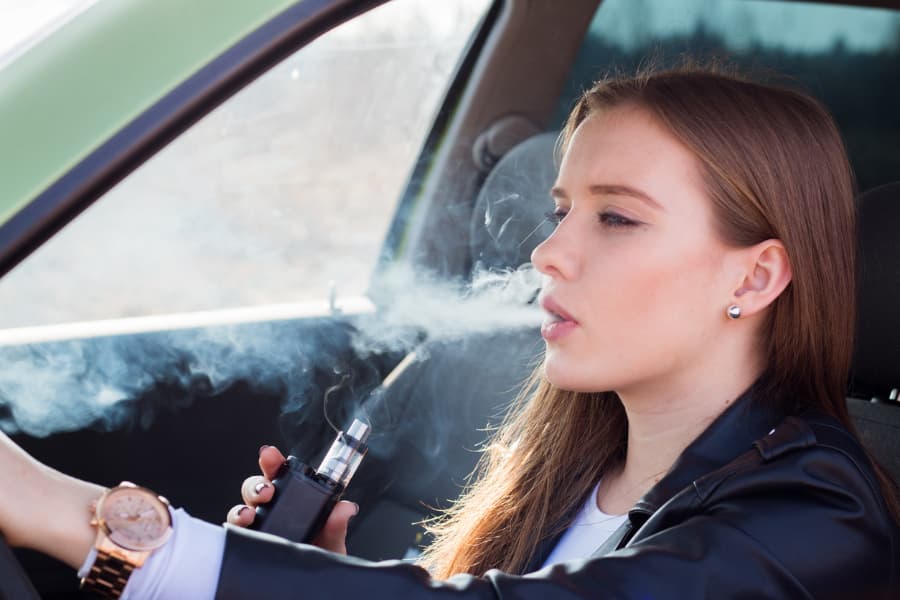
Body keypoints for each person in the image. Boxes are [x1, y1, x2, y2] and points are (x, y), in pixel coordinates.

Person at [1, 64, 899, 598]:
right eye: (561, 211)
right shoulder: (567, 456)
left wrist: (85, 521)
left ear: (755, 274)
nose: (549, 252)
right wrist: (319, 573)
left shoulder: (816, 518)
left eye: (616, 219)